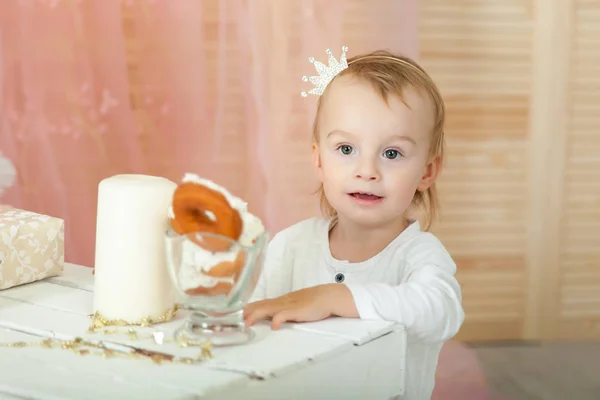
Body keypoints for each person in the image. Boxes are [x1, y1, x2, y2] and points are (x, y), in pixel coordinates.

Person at [244, 46, 465, 400]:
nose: (367, 171)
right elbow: (252, 320)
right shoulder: (291, 246)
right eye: (346, 149)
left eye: (391, 154)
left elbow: (442, 311)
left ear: (427, 171)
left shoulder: (418, 255)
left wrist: (336, 296)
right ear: (318, 159)